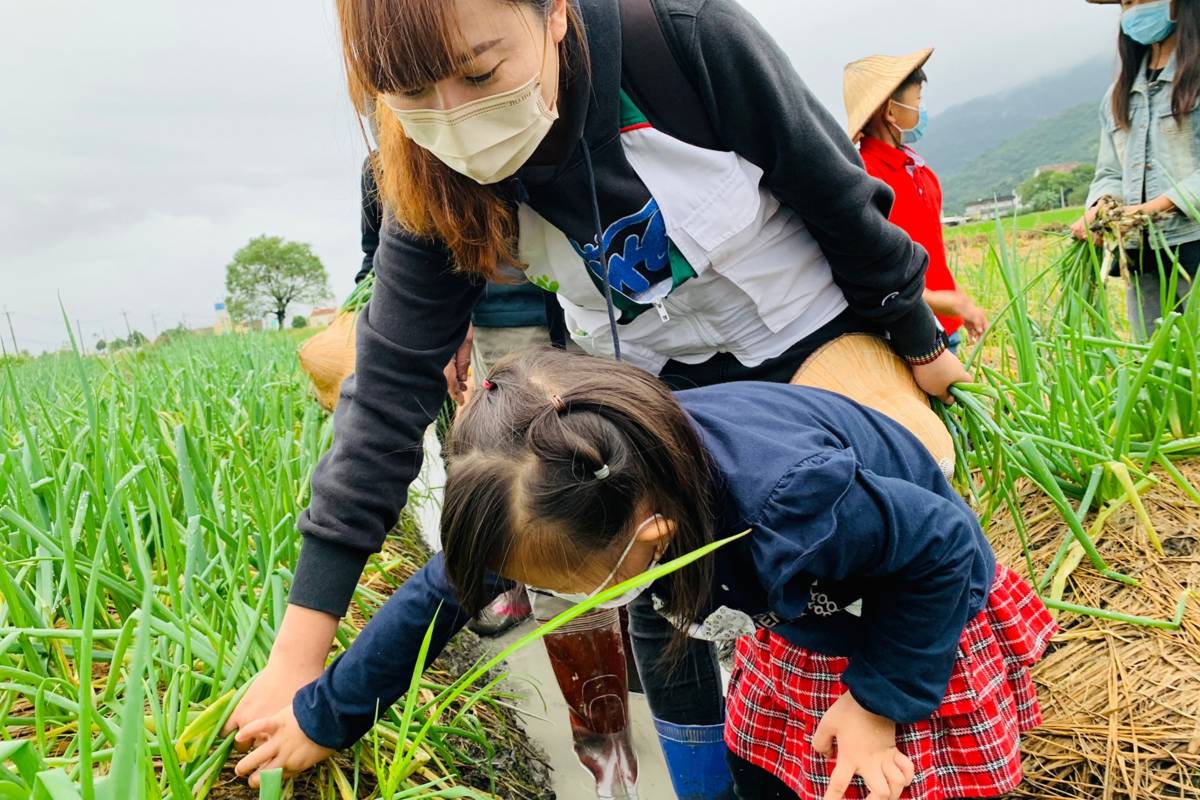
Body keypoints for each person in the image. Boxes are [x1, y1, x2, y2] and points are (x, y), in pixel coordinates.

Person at [225, 0, 972, 792]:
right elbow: (385, 401)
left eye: (481, 71)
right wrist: (300, 675)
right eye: (409, 96)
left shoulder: (681, 39)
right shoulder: (427, 170)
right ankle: (705, 780)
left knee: (855, 554)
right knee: (658, 591)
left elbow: (836, 195)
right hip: (646, 384)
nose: (457, 116)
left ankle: (893, 731)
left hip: (811, 339)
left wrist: (917, 340)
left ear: (553, 14)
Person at [232, 348, 1056, 800]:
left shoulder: (791, 506)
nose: (549, 602)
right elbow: (440, 593)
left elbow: (943, 548)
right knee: (769, 766)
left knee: (884, 777)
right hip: (794, 609)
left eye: (565, 586)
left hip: (914, 604)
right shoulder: (565, 480)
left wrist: (878, 704)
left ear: (652, 538)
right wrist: (326, 714)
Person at [362, 153, 550, 636]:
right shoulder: (383, 169)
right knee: (494, 453)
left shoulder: (505, 133)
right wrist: (447, 324)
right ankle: (519, 581)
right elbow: (376, 260)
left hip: (563, 306)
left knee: (552, 449)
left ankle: (577, 586)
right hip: (489, 322)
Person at [846, 49, 988, 355]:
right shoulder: (867, 181)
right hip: (909, 336)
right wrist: (944, 301)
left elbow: (934, 253)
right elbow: (878, 274)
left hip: (946, 328)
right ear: (890, 112)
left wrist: (960, 301)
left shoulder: (921, 173)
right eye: (918, 101)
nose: (922, 110)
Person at [1075, 0, 1200, 338]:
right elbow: (1109, 172)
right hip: (1141, 252)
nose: (1133, 10)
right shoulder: (1118, 95)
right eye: (1127, 3)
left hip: (1193, 243)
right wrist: (1100, 210)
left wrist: (1154, 207)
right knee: (1155, 358)